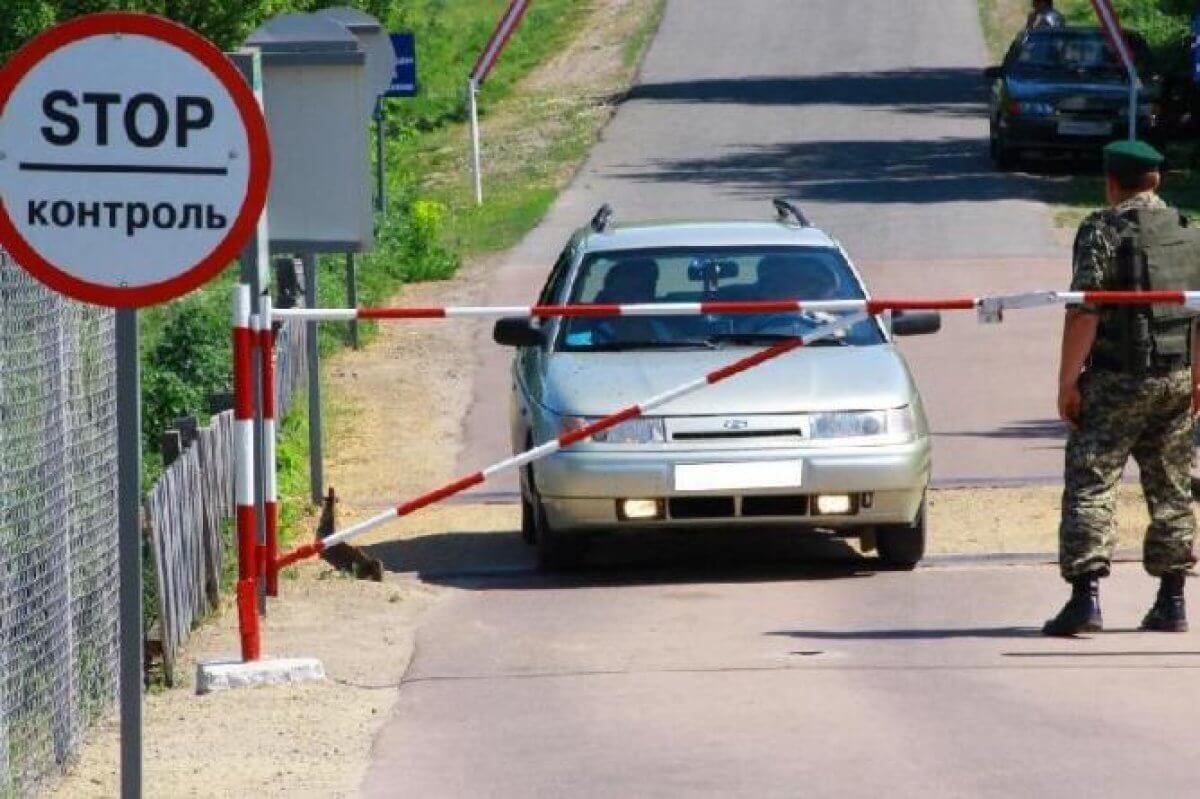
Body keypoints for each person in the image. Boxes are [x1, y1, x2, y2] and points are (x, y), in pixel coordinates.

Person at [1044, 139, 1200, 637]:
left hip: (1116, 378)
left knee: (1092, 481)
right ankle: (1172, 601)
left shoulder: (1102, 229)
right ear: (1158, 180)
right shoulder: (1188, 231)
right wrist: (1198, 377)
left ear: (1112, 182)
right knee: (1173, 485)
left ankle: (1085, 599)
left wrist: (1068, 382)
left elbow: (1084, 309)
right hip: (1175, 378)